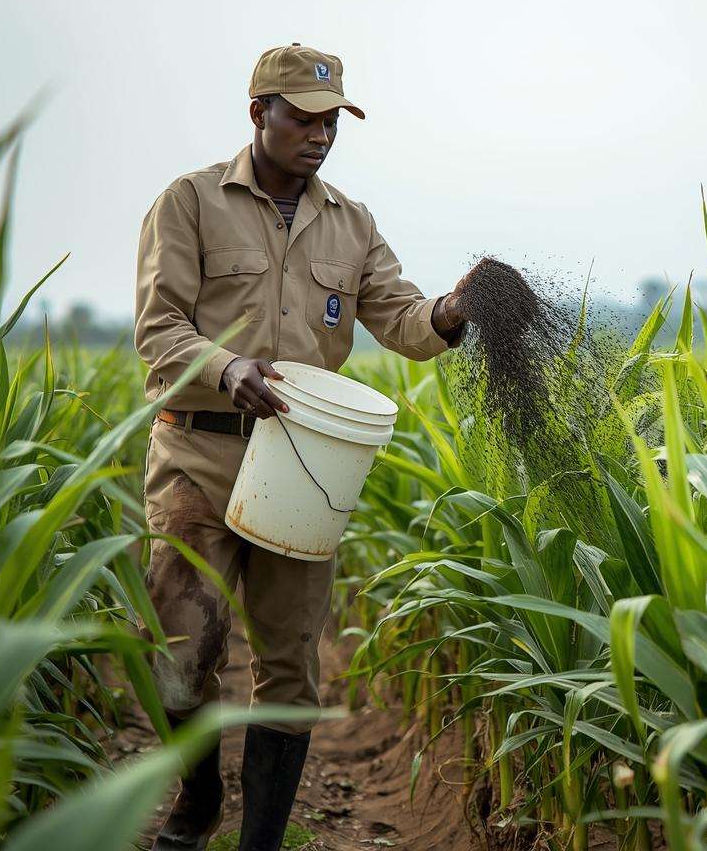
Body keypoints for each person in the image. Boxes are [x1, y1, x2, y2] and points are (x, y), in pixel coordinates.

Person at [133, 42, 474, 851]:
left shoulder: (351, 224)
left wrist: (453, 310)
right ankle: (197, 795)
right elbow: (158, 329)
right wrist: (228, 367)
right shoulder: (189, 203)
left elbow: (398, 317)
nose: (321, 135)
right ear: (260, 113)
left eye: (334, 122)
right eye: (306, 118)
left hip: (304, 463)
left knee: (289, 666)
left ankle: (262, 842)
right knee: (180, 652)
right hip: (200, 456)